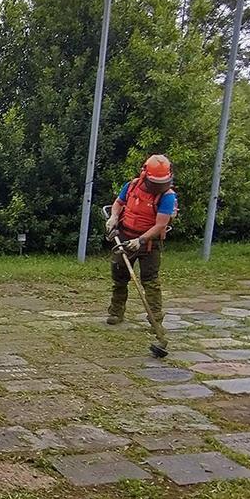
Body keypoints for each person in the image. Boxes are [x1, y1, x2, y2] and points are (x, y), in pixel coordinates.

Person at [104, 154, 176, 359]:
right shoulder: (132, 185)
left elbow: (161, 225)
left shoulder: (167, 196)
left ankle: (156, 322)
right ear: (145, 175)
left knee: (150, 281)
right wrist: (114, 217)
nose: (158, 186)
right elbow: (118, 203)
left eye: (162, 182)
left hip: (150, 243)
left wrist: (141, 241)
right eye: (155, 182)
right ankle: (116, 312)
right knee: (119, 275)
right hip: (125, 235)